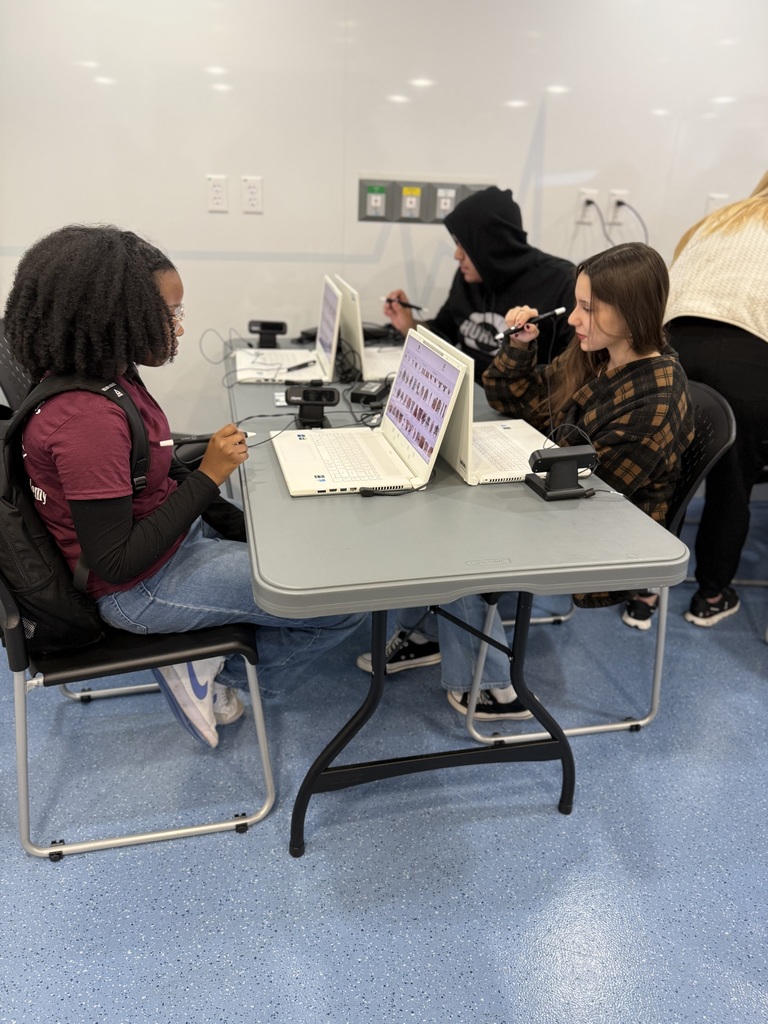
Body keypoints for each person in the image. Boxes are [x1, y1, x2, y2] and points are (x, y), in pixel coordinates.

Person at [3, 224, 365, 748]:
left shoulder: (113, 375)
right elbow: (118, 563)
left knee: (300, 552)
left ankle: (203, 651)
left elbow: (160, 473)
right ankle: (212, 672)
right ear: (116, 319)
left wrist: (247, 530)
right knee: (339, 602)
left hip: (172, 547)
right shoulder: (85, 422)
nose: (177, 324)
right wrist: (210, 475)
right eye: (168, 314)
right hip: (141, 588)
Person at [357, 242, 694, 719]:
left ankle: (496, 688)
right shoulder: (599, 355)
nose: (575, 319)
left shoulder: (655, 396)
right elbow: (521, 400)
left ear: (632, 312)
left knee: (459, 533)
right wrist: (518, 347)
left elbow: (591, 499)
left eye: (588, 308)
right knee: (446, 500)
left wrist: (494, 490)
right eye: (576, 304)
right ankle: (433, 629)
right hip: (568, 498)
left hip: (610, 532)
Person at [664, 172, 768, 627]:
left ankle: (643, 591)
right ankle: (711, 595)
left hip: (672, 352)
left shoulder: (718, 219)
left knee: (666, 472)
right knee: (733, 479)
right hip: (748, 358)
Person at [382, 186, 575, 381]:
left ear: (492, 245)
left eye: (463, 246)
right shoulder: (470, 276)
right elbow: (445, 333)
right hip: (466, 391)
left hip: (519, 402)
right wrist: (409, 325)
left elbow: (572, 368)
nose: (457, 255)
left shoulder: (561, 282)